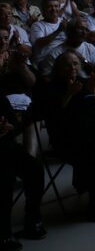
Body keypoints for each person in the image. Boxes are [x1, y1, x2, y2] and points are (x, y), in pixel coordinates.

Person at [36, 51, 95, 221]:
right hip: (66, 140)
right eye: (67, 65)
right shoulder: (49, 88)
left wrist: (94, 92)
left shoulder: (84, 82)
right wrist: (69, 94)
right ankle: (94, 203)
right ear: (58, 68)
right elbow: (54, 118)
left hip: (93, 136)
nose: (72, 68)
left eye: (75, 64)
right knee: (93, 152)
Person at [0, 94, 45, 251]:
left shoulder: (1, 100)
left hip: (6, 147)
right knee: (5, 178)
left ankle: (32, 219)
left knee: (35, 169)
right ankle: (3, 231)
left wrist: (9, 128)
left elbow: (16, 126)